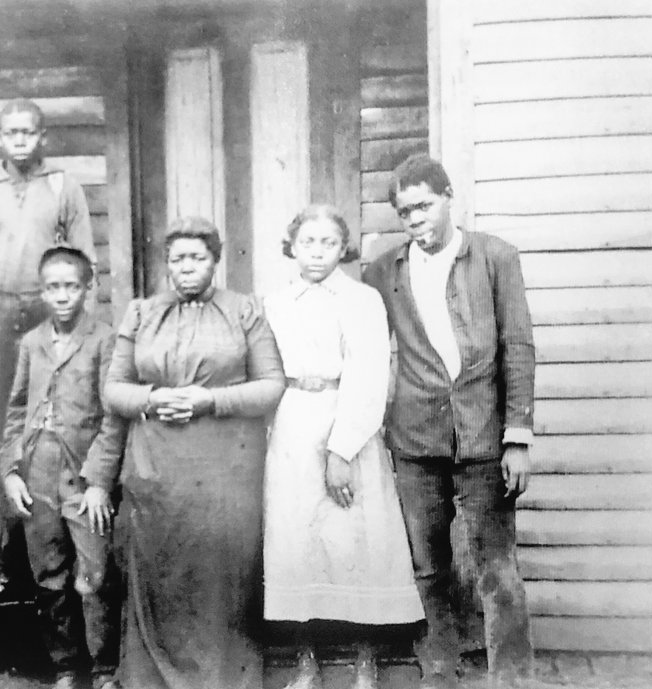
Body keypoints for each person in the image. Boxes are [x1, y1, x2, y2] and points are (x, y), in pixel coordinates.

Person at [363, 154, 536, 689]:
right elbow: (360, 341)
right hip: (415, 441)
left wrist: (518, 436)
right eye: (404, 212)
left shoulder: (494, 257)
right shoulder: (383, 271)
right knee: (429, 566)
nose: (415, 219)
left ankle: (511, 677)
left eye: (423, 205)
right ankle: (440, 668)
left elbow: (519, 346)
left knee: (496, 568)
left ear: (448, 197)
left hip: (484, 437)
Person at [104, 217, 286, 689]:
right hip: (157, 468)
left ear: (215, 261)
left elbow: (271, 386)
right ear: (167, 264)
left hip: (225, 468)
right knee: (162, 575)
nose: (187, 268)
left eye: (198, 258)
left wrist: (212, 400)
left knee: (221, 575)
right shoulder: (142, 313)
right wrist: (151, 399)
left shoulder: (244, 310)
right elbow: (113, 390)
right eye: (178, 259)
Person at [262, 205, 424, 689]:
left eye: (328, 243)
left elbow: (370, 375)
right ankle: (307, 659)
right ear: (291, 245)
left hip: (347, 419)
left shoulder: (362, 300)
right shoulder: (276, 301)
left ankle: (364, 660)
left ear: (343, 248)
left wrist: (343, 449)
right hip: (292, 423)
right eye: (307, 242)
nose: (317, 252)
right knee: (299, 542)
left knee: (358, 541)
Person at [0, 98, 97, 596]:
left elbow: (84, 265)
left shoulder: (62, 185)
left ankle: (65, 549)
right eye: (10, 133)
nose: (19, 141)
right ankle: (9, 561)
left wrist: (83, 330)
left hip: (48, 311)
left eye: (28, 132)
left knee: (55, 428)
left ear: (43, 137)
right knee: (1, 442)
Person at [1, 246, 125, 689]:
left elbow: (113, 415)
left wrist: (99, 482)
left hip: (83, 471)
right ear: (42, 291)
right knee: (49, 577)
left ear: (88, 288)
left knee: (94, 576)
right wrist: (11, 470)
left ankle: (105, 667)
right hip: (38, 470)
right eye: (53, 287)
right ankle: (67, 667)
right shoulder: (32, 342)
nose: (62, 296)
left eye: (72, 286)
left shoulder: (104, 339)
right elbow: (16, 411)